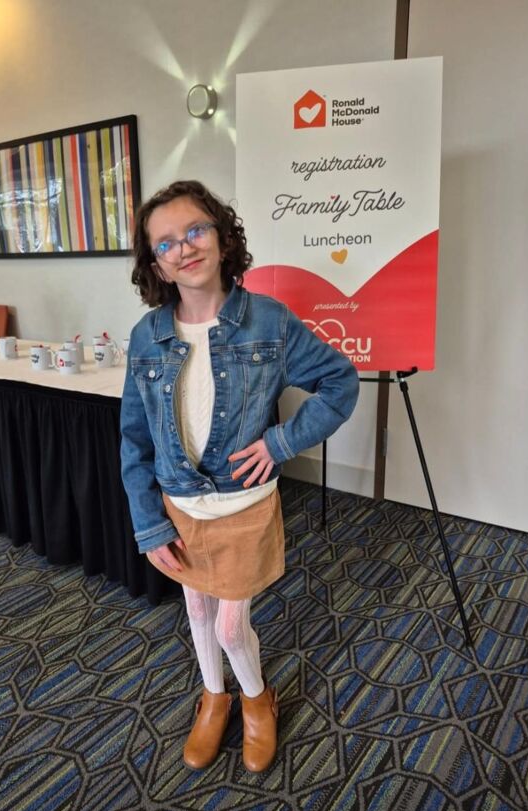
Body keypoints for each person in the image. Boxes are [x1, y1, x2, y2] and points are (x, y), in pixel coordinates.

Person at [120, 180, 359, 773]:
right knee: (197, 612)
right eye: (166, 243)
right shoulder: (147, 335)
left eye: (195, 230)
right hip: (179, 506)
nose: (184, 248)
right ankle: (214, 696)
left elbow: (340, 382)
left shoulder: (268, 322)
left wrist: (281, 442)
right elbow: (134, 437)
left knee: (231, 626)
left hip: (243, 505)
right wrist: (148, 521)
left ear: (222, 238)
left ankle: (256, 697)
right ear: (155, 262)